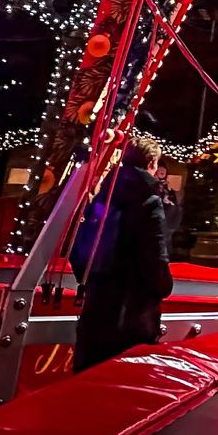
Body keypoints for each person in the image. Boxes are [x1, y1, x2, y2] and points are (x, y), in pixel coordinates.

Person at [73, 139, 174, 372]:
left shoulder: (103, 197)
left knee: (89, 379)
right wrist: (163, 286)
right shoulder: (148, 202)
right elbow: (154, 257)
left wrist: (89, 280)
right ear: (151, 163)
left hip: (96, 305)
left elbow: (81, 246)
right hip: (130, 310)